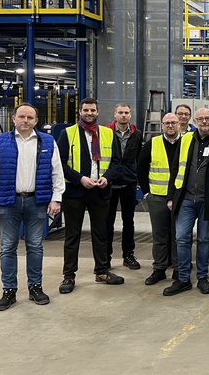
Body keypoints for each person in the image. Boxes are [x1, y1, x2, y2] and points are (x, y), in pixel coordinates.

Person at [0, 103, 65, 311]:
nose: (25, 121)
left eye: (30, 117)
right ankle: (9, 290)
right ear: (14, 119)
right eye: (21, 117)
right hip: (8, 203)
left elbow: (57, 172)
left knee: (35, 246)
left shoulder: (47, 141)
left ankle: (35, 287)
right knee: (7, 247)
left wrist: (56, 198)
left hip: (37, 202)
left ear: (36, 121)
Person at [57, 98, 124, 294]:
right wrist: (80, 179)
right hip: (75, 191)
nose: (89, 113)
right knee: (72, 235)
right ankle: (69, 275)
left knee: (101, 233)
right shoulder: (67, 134)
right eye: (86, 110)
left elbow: (116, 162)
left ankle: (102, 271)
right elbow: (59, 163)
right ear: (80, 111)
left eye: (92, 110)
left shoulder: (108, 134)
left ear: (97, 112)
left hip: (100, 191)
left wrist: (107, 178)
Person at [164, 108, 209, 296]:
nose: (205, 122)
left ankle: (202, 277)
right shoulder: (185, 140)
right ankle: (183, 278)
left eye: (208, 118)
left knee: (204, 239)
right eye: (201, 119)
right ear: (195, 120)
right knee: (182, 238)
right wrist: (171, 196)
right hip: (185, 199)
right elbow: (175, 168)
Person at [137, 113, 181, 286]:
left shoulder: (187, 143)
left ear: (179, 124)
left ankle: (179, 268)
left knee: (179, 235)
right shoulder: (152, 143)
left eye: (173, 122)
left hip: (180, 197)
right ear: (162, 125)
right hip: (157, 197)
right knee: (159, 235)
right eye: (167, 123)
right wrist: (147, 193)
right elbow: (141, 168)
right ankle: (160, 269)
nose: (170, 126)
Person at [106, 103, 143, 271]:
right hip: (109, 184)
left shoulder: (137, 134)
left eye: (126, 112)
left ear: (130, 115)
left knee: (129, 221)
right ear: (115, 114)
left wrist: (137, 181)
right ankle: (105, 257)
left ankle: (128, 255)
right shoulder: (105, 132)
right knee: (107, 222)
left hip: (129, 183)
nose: (123, 115)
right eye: (120, 112)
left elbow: (139, 158)